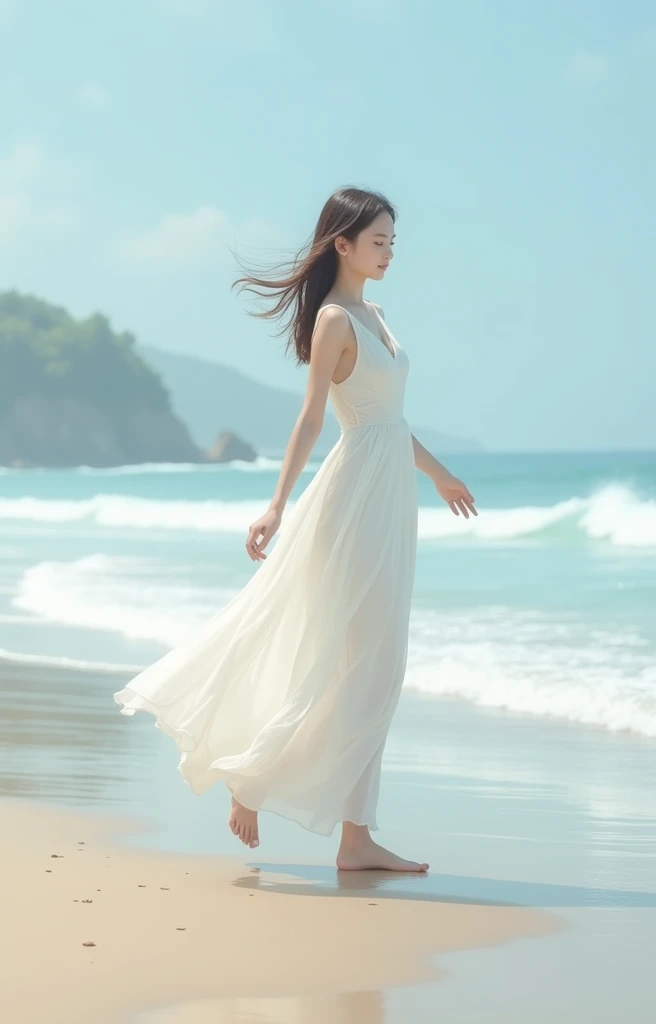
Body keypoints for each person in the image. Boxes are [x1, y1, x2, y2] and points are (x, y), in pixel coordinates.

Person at [114, 186, 477, 872]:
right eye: (378, 241)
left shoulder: (377, 315)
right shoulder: (336, 320)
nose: (389, 252)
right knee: (340, 659)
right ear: (341, 243)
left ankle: (355, 837)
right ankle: (252, 779)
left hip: (391, 495)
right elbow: (314, 419)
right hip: (352, 502)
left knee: (378, 667)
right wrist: (277, 505)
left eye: (393, 242)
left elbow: (390, 422)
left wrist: (437, 473)